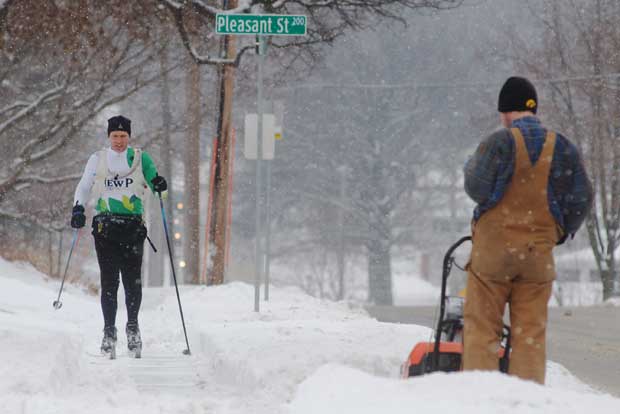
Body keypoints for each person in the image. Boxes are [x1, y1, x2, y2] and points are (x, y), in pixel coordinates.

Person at [462, 76, 593, 384]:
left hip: (493, 256)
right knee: (530, 335)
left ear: (506, 112)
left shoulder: (499, 142)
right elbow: (583, 197)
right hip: (537, 256)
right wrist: (559, 231)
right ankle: (527, 398)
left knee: (482, 329)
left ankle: (480, 396)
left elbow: (475, 187)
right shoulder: (562, 147)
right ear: (533, 109)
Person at [71, 115, 167, 358]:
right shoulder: (98, 159)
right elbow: (84, 186)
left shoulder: (141, 158)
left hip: (132, 228)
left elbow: (156, 185)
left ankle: (133, 328)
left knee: (132, 282)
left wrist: (159, 184)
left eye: (123, 136)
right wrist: (78, 208)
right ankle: (109, 333)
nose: (119, 140)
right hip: (106, 228)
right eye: (115, 136)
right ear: (109, 136)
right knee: (109, 282)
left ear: (129, 136)